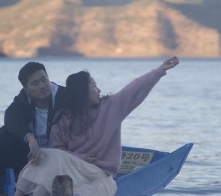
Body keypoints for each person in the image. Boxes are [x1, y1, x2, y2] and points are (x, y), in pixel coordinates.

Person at [14, 56, 180, 196]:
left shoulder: (110, 107)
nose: (98, 89)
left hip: (99, 174)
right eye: (93, 85)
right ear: (82, 91)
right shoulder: (64, 117)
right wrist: (79, 157)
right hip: (73, 169)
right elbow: (57, 149)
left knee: (80, 189)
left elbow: (134, 90)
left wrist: (159, 71)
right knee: (47, 155)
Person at [0, 62, 67, 196]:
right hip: (32, 155)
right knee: (5, 132)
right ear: (26, 89)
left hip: (59, 153)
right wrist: (30, 138)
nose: (43, 86)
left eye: (44, 79)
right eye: (35, 83)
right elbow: (10, 117)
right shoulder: (22, 100)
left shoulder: (63, 96)